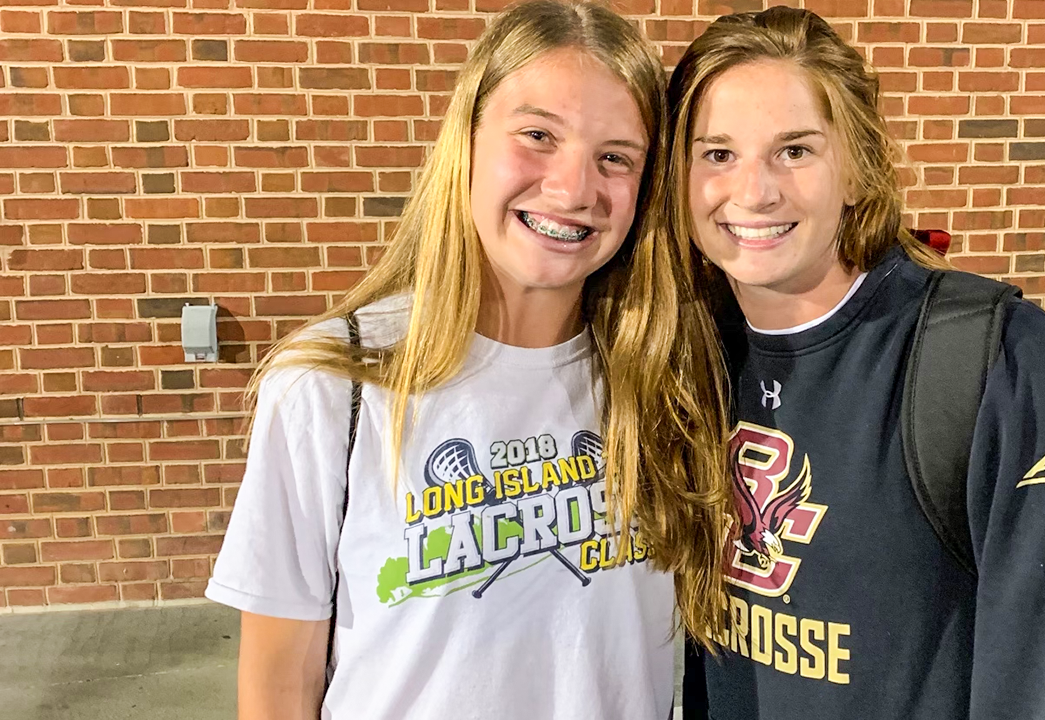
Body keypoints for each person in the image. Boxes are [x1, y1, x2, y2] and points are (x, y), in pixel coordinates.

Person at [204, 2, 733, 718]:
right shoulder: (330, 383)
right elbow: (277, 686)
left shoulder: (666, 380)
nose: (575, 188)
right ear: (469, 141)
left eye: (616, 157)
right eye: (538, 135)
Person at [671, 7, 1045, 719]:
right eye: (717, 153)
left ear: (856, 169)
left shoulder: (993, 357)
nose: (754, 191)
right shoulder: (688, 354)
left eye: (795, 150)